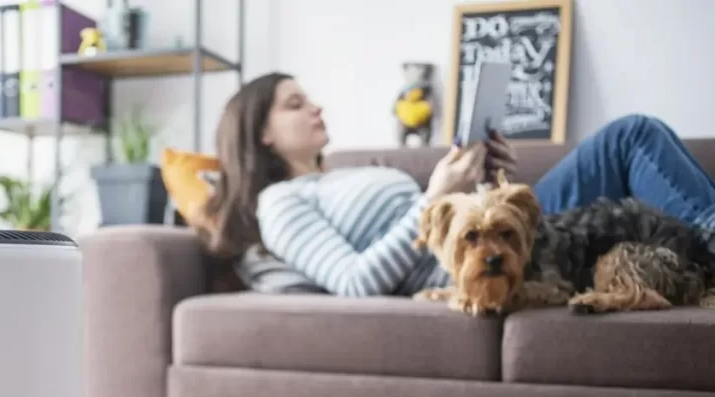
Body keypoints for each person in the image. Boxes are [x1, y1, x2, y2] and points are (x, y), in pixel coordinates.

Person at [198, 72, 715, 298]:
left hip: (502, 231)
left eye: (309, 99)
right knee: (629, 136)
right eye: (295, 104)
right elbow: (354, 283)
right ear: (261, 133)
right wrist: (434, 197)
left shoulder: (339, 175)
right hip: (461, 263)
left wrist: (488, 178)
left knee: (634, 134)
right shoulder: (281, 202)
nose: (316, 107)